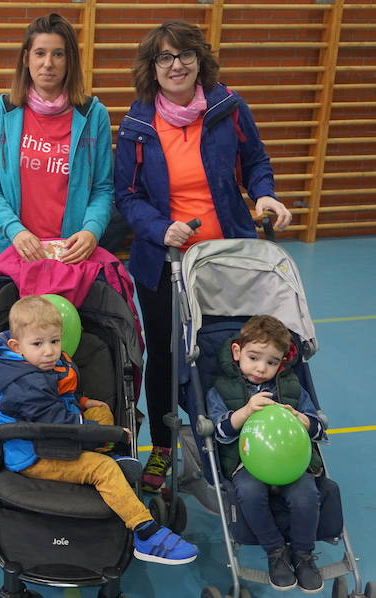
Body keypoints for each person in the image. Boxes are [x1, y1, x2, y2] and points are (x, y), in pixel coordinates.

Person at [113, 21, 293, 493]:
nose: (177, 65)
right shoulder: (136, 125)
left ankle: (235, 437)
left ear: (200, 60)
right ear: (152, 68)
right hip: (165, 265)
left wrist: (265, 196)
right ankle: (164, 448)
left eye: (185, 54)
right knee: (168, 356)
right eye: (165, 58)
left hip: (230, 259)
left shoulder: (228, 108)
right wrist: (159, 228)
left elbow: (256, 162)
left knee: (227, 350)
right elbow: (126, 196)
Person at [0, 296, 198, 566]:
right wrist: (102, 433)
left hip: (54, 434)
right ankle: (145, 533)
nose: (49, 351)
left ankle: (105, 453)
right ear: (16, 346)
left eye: (54, 341)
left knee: (100, 409)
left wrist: (84, 403)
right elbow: (57, 422)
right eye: (38, 344)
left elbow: (57, 400)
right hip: (38, 454)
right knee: (103, 470)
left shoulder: (29, 366)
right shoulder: (22, 386)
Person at [0, 13, 113, 264]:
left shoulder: (94, 115)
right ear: (27, 58)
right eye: (40, 53)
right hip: (13, 248)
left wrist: (91, 230)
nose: (48, 63)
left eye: (58, 54)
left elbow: (103, 188)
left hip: (71, 252)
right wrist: (15, 230)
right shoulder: (2, 112)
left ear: (70, 60)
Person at [206, 315, 326, 592]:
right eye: (254, 357)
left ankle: (303, 555)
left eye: (271, 362)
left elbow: (320, 429)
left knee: (306, 494)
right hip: (245, 462)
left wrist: (303, 420)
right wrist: (245, 411)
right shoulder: (221, 390)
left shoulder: (291, 389)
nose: (261, 368)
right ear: (237, 352)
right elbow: (219, 433)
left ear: (282, 362)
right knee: (249, 493)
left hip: (293, 463)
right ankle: (275, 552)